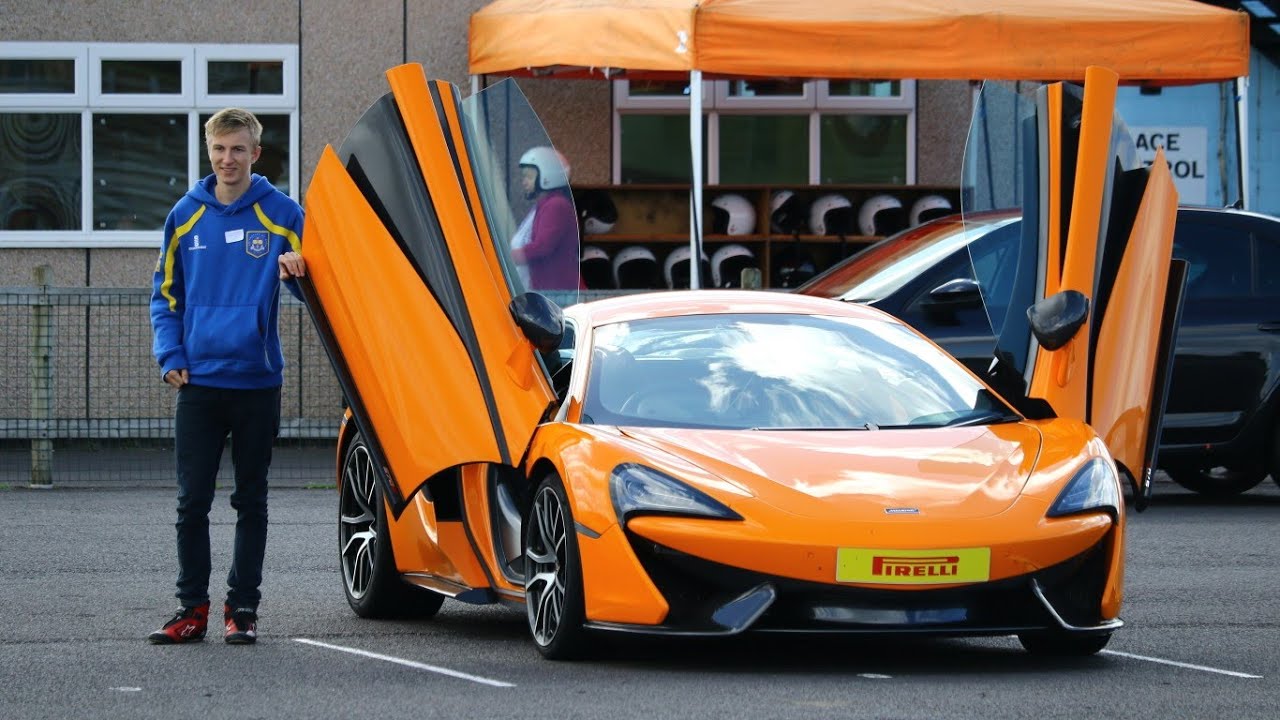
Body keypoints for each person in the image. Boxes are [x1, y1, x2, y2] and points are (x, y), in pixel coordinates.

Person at [147, 107, 306, 646]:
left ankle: (242, 610)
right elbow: (165, 296)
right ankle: (191, 609)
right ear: (208, 151)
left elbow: (320, 284)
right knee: (191, 503)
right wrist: (170, 355)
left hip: (257, 382)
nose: (227, 159)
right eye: (219, 148)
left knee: (250, 502)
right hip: (198, 383)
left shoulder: (284, 214)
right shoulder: (184, 214)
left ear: (256, 154)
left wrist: (299, 275)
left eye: (238, 149)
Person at [509, 146, 583, 291]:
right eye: (524, 177)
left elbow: (542, 246)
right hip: (552, 288)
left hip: (559, 291)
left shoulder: (556, 205)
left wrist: (507, 258)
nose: (524, 182)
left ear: (548, 177)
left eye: (529, 177)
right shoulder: (546, 204)